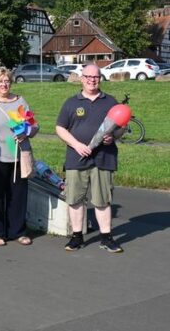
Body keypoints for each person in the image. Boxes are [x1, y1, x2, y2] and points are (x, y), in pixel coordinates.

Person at [55, 64, 123, 253]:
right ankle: (77, 237)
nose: (92, 80)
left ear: (100, 78)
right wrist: (76, 144)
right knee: (75, 199)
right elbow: (60, 128)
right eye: (88, 76)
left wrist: (114, 136)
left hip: (104, 158)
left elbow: (121, 126)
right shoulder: (71, 102)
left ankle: (106, 238)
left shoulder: (110, 101)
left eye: (96, 77)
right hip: (76, 158)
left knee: (102, 200)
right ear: (81, 78)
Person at [0, 67, 38, 246]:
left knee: (18, 195)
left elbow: (34, 126)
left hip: (18, 156)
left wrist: (27, 132)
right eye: (0, 81)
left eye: (7, 81)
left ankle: (17, 231)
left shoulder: (20, 102)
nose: (4, 84)